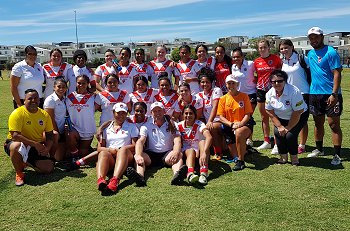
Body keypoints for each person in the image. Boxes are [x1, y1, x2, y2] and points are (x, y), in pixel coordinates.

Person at [306, 27, 343, 165]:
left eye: (316, 37)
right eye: (311, 38)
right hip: (315, 94)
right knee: (318, 123)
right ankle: (319, 149)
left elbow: (337, 73)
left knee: (333, 125)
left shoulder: (331, 52)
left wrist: (334, 94)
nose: (313, 40)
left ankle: (337, 155)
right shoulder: (310, 54)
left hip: (331, 94)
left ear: (322, 37)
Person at [4, 89, 55, 186]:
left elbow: (50, 135)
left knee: (48, 168)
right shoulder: (17, 113)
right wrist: (35, 144)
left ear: (39, 100)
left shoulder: (44, 115)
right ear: (24, 101)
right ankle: (19, 173)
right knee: (16, 146)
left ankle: (25, 161)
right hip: (18, 143)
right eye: (30, 98)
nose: (33, 101)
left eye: (36, 98)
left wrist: (47, 148)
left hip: (34, 146)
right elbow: (15, 136)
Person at [131, 102, 187, 186]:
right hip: (151, 155)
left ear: (164, 111)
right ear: (151, 113)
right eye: (155, 111)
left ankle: (177, 176)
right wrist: (138, 154)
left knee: (179, 155)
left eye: (159, 110)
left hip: (167, 154)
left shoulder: (172, 124)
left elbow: (177, 139)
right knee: (138, 156)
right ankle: (140, 177)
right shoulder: (146, 125)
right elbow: (140, 141)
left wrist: (175, 152)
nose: (157, 113)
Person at [265, 70, 308, 165]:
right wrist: (279, 126)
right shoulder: (269, 93)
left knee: (290, 135)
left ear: (285, 81)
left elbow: (297, 112)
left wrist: (288, 128)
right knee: (278, 132)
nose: (277, 83)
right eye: (274, 81)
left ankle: (294, 158)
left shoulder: (294, 91)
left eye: (280, 81)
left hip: (299, 115)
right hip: (281, 117)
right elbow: (270, 111)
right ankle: (283, 158)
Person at [96, 102, 139, 194]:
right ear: (113, 113)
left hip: (126, 157)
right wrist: (110, 150)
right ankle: (101, 180)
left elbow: (135, 145)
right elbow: (99, 149)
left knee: (123, 150)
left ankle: (115, 180)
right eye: (118, 113)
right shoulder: (106, 129)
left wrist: (119, 149)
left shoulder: (132, 127)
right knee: (103, 153)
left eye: (123, 113)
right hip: (111, 157)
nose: (121, 115)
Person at [217, 75, 254, 171]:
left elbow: (248, 115)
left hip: (244, 124)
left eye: (233, 83)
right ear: (226, 85)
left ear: (237, 84)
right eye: (229, 83)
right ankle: (243, 151)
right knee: (235, 156)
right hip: (230, 125)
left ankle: (241, 162)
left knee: (239, 132)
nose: (231, 85)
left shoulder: (244, 96)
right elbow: (220, 117)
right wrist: (231, 124)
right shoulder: (223, 99)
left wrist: (240, 124)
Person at [279, 39, 310, 154]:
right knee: (290, 118)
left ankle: (302, 144)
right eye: (282, 49)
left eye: (286, 47)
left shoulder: (301, 59)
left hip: (303, 93)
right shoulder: (283, 62)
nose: (284, 50)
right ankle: (292, 142)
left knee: (302, 120)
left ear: (292, 47)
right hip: (289, 94)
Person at [254, 39, 282, 151]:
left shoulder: (275, 59)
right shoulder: (256, 62)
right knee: (263, 116)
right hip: (261, 90)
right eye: (260, 47)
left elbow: (281, 73)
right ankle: (266, 141)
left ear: (268, 48)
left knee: (274, 116)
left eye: (264, 47)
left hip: (273, 91)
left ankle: (276, 143)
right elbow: (255, 75)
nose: (262, 49)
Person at [176, 105, 212, 185]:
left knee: (202, 142)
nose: (188, 115)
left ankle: (203, 173)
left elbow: (209, 137)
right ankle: (190, 174)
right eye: (186, 113)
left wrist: (205, 152)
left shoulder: (199, 124)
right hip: (187, 153)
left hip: (200, 154)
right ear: (182, 114)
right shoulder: (178, 125)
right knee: (191, 150)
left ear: (195, 114)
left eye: (191, 113)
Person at [196, 68, 224, 160]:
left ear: (211, 82)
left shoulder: (216, 90)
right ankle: (201, 151)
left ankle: (218, 151)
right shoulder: (199, 95)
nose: (204, 84)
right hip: (208, 121)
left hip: (219, 120)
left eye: (207, 82)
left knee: (212, 127)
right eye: (202, 82)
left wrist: (210, 121)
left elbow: (215, 107)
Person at [231, 47, 257, 147]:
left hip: (250, 93)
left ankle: (249, 139)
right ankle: (243, 136)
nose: (236, 59)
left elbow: (258, 74)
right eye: (234, 57)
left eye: (238, 57)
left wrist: (255, 81)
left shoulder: (250, 64)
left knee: (249, 116)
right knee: (242, 116)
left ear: (242, 56)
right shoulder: (233, 67)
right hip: (239, 95)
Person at [66, 75, 96, 158]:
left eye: (84, 83)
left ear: (88, 84)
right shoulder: (69, 97)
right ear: (75, 83)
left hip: (87, 128)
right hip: (74, 128)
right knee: (69, 135)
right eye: (79, 83)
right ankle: (74, 154)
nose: (81, 85)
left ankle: (86, 148)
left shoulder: (93, 97)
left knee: (83, 154)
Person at [43, 77, 68, 161]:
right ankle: (49, 155)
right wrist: (59, 134)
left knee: (62, 157)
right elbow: (50, 120)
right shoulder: (50, 100)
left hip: (61, 130)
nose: (61, 89)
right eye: (59, 86)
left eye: (64, 87)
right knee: (58, 158)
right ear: (54, 87)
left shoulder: (65, 99)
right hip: (53, 131)